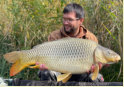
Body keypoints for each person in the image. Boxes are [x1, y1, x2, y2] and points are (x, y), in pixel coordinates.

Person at [37, 3, 104, 82]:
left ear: (81, 21)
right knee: (46, 72)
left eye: (69, 20)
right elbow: (48, 59)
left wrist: (96, 67)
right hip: (60, 74)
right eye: (64, 19)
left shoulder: (90, 38)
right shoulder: (55, 36)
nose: (65, 22)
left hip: (82, 75)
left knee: (97, 78)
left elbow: (98, 63)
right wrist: (45, 65)